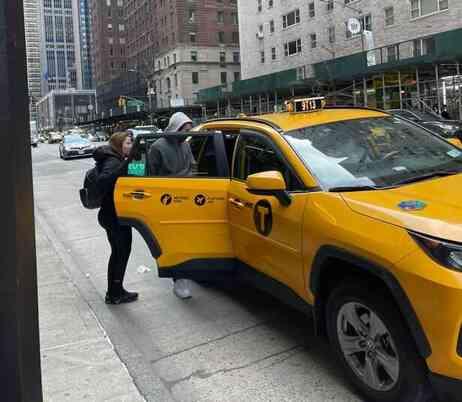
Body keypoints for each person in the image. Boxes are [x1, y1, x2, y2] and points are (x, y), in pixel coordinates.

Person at [148, 112, 194, 299]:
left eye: (190, 130)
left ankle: (185, 276)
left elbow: (193, 167)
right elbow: (152, 177)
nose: (187, 134)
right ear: (176, 127)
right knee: (173, 243)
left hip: (187, 200)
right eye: (185, 130)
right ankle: (178, 280)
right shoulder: (157, 147)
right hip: (167, 202)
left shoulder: (185, 145)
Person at [94, 132, 138, 304]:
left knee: (120, 253)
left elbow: (136, 175)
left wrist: (137, 160)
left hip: (116, 214)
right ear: (120, 144)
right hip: (112, 216)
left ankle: (116, 289)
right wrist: (127, 163)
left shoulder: (119, 159)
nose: (131, 145)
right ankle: (114, 294)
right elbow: (104, 181)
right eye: (128, 142)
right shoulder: (113, 161)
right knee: (120, 253)